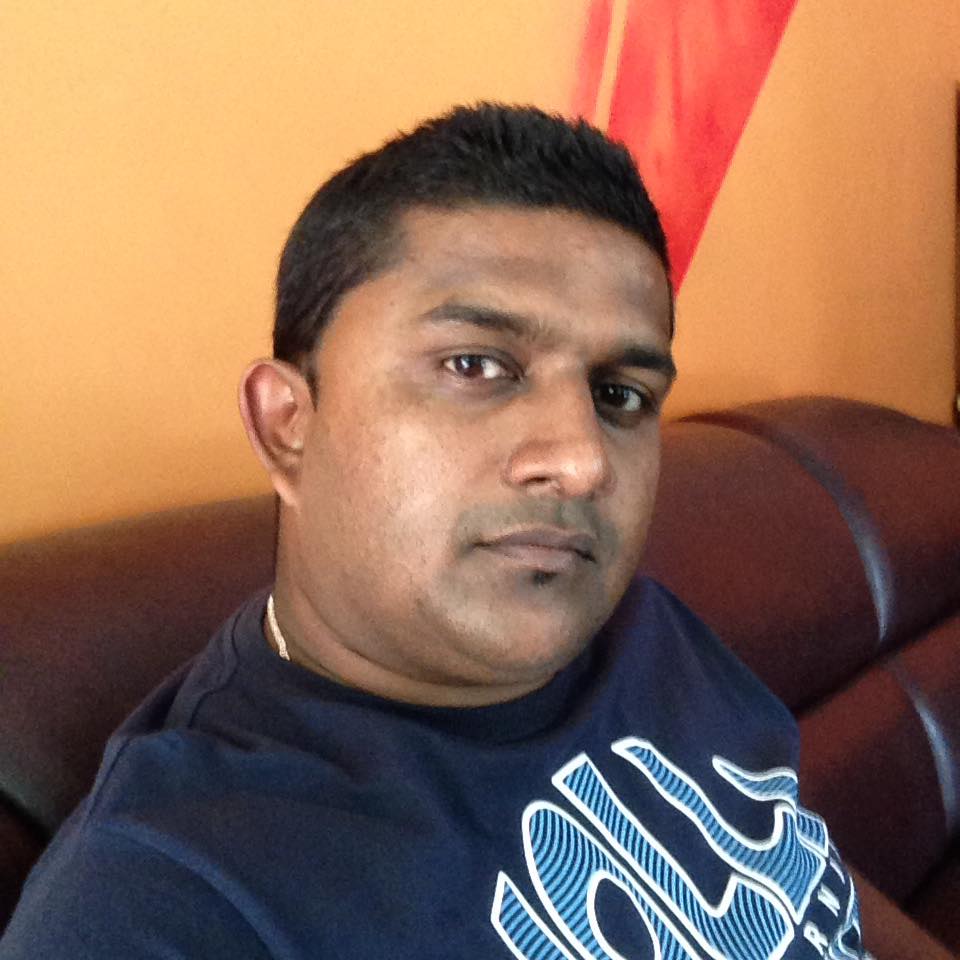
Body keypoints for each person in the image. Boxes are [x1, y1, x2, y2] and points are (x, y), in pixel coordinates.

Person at [0, 104, 871, 959]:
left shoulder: (651, 630)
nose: (583, 462)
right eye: (476, 365)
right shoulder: (161, 902)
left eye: (619, 395)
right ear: (288, 427)